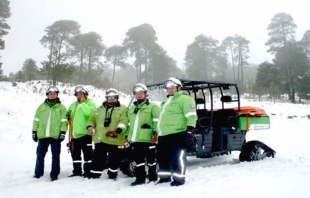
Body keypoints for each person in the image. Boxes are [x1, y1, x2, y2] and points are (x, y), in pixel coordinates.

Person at [156, 77, 198, 186]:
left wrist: (189, 131)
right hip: (164, 135)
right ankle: (164, 178)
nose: (169, 90)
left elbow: (191, 116)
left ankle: (179, 179)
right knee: (162, 157)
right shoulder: (166, 101)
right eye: (168, 88)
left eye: (172, 87)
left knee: (177, 158)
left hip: (178, 134)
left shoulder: (185, 99)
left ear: (179, 88)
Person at [87, 88, 128, 179]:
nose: (111, 99)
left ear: (117, 98)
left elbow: (124, 121)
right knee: (98, 157)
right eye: (109, 97)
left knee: (114, 159)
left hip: (114, 138)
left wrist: (118, 131)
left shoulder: (123, 109)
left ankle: (112, 175)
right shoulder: (99, 109)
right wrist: (90, 126)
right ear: (106, 98)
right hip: (100, 138)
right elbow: (91, 119)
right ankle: (94, 175)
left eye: (113, 97)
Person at [32, 86, 68, 181]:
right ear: (47, 95)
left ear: (57, 95)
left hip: (55, 136)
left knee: (55, 156)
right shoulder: (41, 107)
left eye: (54, 94)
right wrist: (34, 131)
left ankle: (54, 174)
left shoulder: (61, 107)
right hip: (42, 135)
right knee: (40, 155)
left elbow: (64, 121)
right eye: (50, 94)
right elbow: (36, 120)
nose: (52, 95)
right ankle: (38, 173)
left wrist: (63, 132)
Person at [127, 83, 160, 186]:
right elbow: (129, 124)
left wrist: (155, 133)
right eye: (137, 93)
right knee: (139, 160)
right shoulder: (132, 109)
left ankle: (152, 177)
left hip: (149, 138)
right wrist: (126, 136)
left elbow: (157, 121)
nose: (139, 95)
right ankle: (140, 178)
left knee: (151, 160)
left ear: (146, 94)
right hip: (136, 139)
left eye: (141, 93)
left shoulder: (153, 107)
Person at [67, 86, 97, 178]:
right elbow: (69, 116)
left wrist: (83, 103)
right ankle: (77, 171)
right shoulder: (73, 105)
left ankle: (87, 172)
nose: (79, 96)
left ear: (85, 94)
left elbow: (89, 113)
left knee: (87, 155)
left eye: (81, 94)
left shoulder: (91, 104)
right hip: (74, 134)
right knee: (75, 155)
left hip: (85, 134)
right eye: (78, 94)